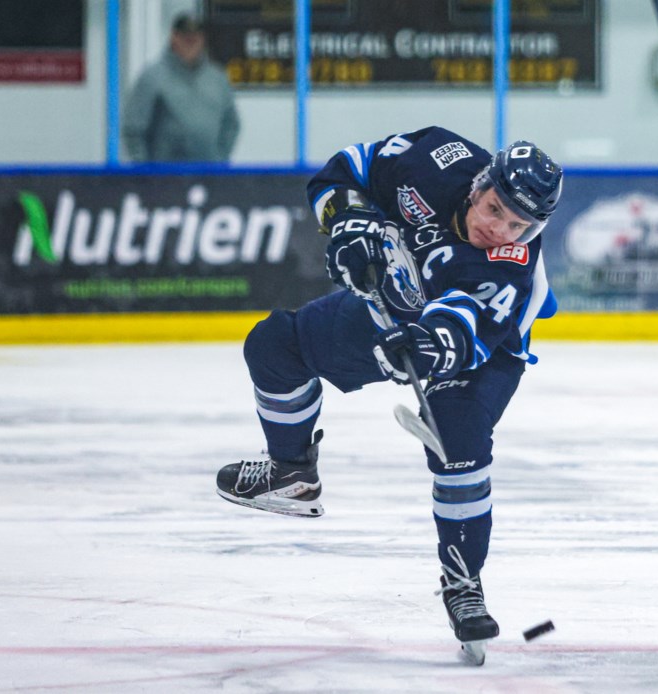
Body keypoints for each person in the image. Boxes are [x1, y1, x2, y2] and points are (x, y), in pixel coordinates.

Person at [214, 126, 563, 664]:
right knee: (274, 345)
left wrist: (427, 345)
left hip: (478, 354)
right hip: (393, 309)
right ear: (479, 184)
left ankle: (463, 582)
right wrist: (349, 220)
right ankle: (291, 473)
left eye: (519, 224)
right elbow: (347, 167)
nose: (499, 230)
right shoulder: (432, 157)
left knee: (458, 444)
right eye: (495, 209)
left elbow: (464, 327)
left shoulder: (510, 264)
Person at [122, 13, 240, 162]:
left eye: (195, 38)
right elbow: (133, 128)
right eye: (186, 38)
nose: (191, 43)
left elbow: (231, 123)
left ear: (202, 40)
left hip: (209, 175)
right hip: (164, 177)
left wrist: (220, 160)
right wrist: (144, 171)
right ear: (174, 37)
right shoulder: (152, 78)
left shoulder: (217, 79)